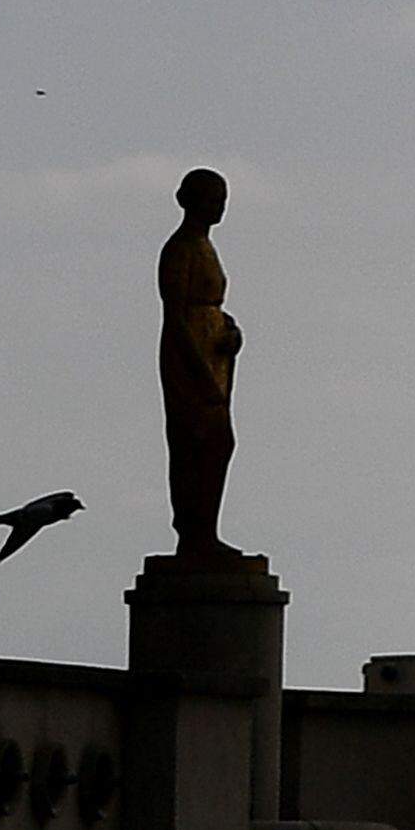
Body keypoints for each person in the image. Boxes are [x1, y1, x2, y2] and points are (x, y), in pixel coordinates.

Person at [159, 168, 245, 561]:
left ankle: (205, 530)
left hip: (214, 356)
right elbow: (175, 317)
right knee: (198, 442)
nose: (220, 208)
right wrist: (199, 371)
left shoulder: (205, 248)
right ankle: (194, 533)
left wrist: (230, 334)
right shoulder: (180, 248)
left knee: (216, 444)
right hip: (190, 358)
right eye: (214, 200)